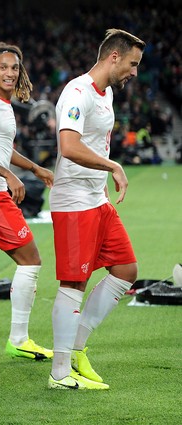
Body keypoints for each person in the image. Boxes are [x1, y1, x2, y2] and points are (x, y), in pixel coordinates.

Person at [47, 28, 144, 390]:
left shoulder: (107, 95)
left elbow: (90, 143)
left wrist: (102, 176)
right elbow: (69, 146)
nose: (134, 72)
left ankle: (75, 349)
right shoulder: (76, 92)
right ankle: (59, 372)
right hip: (73, 202)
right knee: (74, 282)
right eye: (132, 64)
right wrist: (113, 166)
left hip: (96, 200)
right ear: (114, 57)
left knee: (126, 269)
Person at [0, 42, 55, 360]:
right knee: (31, 261)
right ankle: (19, 338)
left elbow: (4, 150)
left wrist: (33, 167)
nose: (9, 73)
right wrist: (9, 177)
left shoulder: (1, 105)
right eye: (3, 67)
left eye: (14, 68)